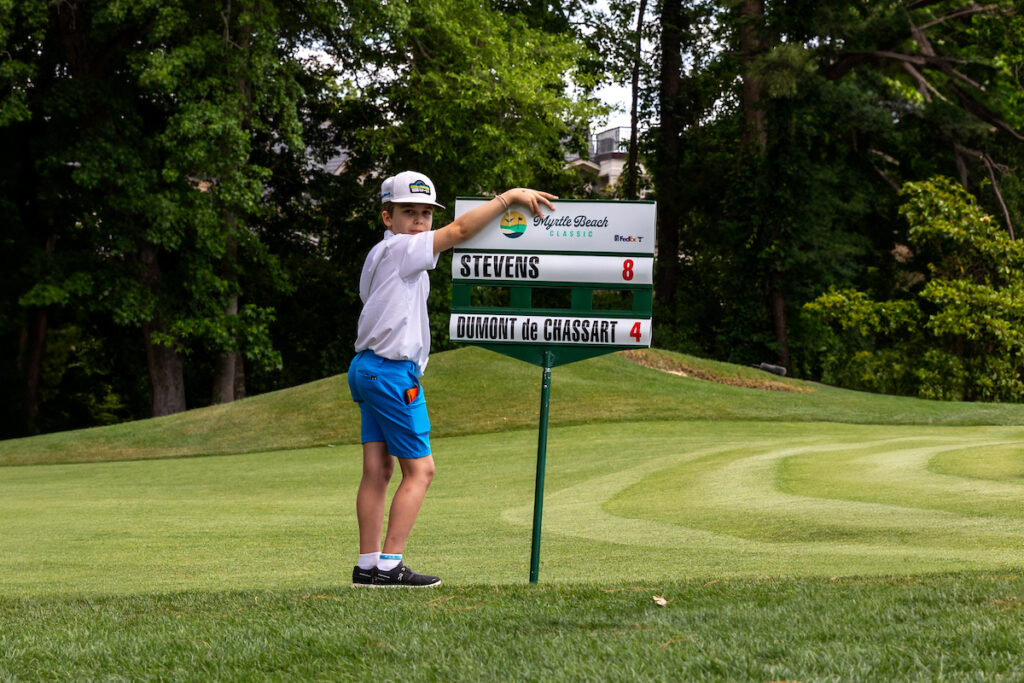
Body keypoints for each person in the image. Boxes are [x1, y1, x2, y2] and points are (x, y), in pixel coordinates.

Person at [349, 171, 556, 587]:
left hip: (366, 369)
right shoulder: (403, 250)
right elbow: (460, 230)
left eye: (426, 213)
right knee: (421, 471)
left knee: (377, 470)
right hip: (391, 373)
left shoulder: (379, 254)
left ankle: (368, 566)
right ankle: (390, 566)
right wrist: (509, 198)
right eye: (409, 212)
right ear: (386, 217)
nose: (420, 221)